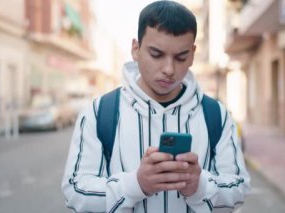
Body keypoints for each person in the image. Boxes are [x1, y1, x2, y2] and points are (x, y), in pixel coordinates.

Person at [62, 1, 250, 212]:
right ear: (136, 49)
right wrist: (136, 184)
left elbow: (239, 188)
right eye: (156, 54)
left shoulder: (217, 115)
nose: (169, 69)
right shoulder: (99, 113)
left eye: (181, 57)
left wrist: (199, 187)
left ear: (193, 54)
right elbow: (75, 190)